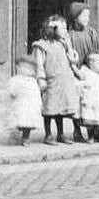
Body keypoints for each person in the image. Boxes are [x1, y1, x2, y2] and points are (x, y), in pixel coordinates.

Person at [32, 14, 80, 145]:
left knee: (60, 108)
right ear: (52, 29)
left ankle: (60, 134)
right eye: (62, 28)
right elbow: (39, 65)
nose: (65, 30)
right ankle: (48, 135)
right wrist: (41, 79)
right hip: (51, 81)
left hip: (64, 80)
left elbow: (72, 59)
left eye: (65, 28)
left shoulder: (63, 44)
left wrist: (69, 47)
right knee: (49, 108)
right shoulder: (41, 46)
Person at [66, 1, 99, 142]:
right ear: (75, 17)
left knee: (93, 99)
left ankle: (95, 132)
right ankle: (76, 130)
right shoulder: (69, 35)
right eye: (84, 16)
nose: (87, 18)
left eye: (88, 16)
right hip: (75, 71)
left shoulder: (91, 33)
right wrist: (76, 70)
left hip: (91, 70)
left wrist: (94, 66)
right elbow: (68, 56)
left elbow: (97, 51)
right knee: (77, 100)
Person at [7, 55, 42, 146]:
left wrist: (38, 105)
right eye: (22, 67)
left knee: (27, 124)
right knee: (16, 121)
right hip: (19, 105)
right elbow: (12, 91)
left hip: (30, 106)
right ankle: (15, 135)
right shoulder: (16, 80)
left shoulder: (32, 81)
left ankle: (25, 138)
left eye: (29, 68)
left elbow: (37, 94)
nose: (26, 70)